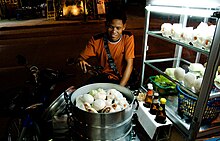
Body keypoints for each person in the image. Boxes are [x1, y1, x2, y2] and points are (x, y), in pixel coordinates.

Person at [76, 4, 135, 87]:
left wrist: (120, 88)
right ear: (106, 24)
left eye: (118, 28)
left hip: (121, 80)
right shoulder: (96, 40)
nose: (114, 31)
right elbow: (80, 58)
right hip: (103, 78)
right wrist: (81, 61)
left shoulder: (128, 37)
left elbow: (130, 64)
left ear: (124, 27)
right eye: (111, 27)